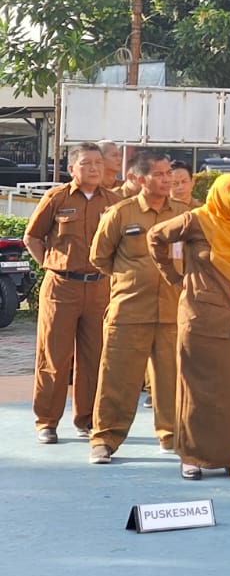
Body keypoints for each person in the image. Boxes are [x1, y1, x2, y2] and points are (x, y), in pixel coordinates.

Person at [149, 173, 230, 478]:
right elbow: (155, 237)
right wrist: (175, 277)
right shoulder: (197, 221)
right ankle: (192, 456)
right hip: (202, 318)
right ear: (222, 196)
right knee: (198, 393)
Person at [87, 152, 183, 461]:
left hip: (172, 310)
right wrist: (133, 278)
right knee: (117, 378)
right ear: (141, 180)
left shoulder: (184, 214)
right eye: (160, 174)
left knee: (172, 378)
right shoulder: (120, 213)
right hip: (129, 309)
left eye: (169, 173)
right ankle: (104, 439)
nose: (167, 179)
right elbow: (99, 258)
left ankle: (172, 435)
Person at [25, 143, 113, 445]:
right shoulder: (57, 198)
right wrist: (52, 265)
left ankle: (87, 419)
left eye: (98, 164)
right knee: (54, 356)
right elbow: (32, 237)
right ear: (72, 169)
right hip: (61, 287)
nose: (94, 169)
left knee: (95, 357)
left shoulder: (113, 202)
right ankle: (47, 422)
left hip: (100, 287)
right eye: (87, 163)